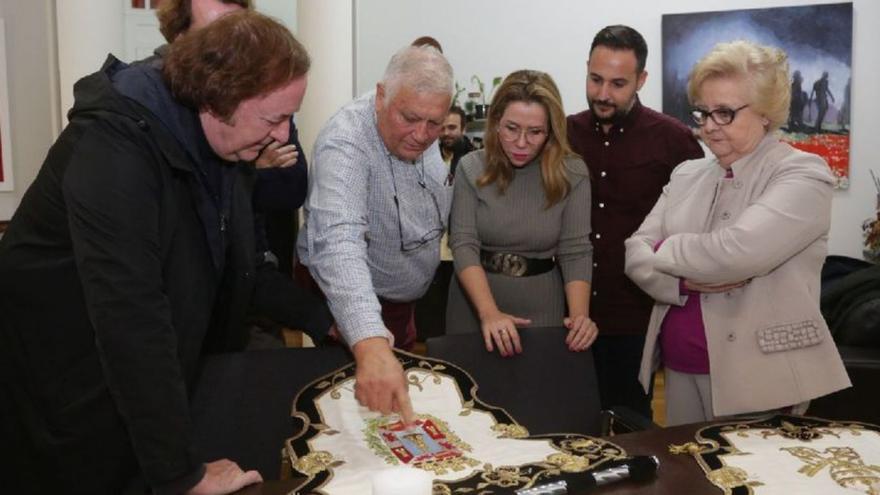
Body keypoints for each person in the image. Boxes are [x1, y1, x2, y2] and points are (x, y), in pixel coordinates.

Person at [0, 12, 333, 494]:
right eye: (275, 118)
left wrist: (322, 318)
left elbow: (242, 270)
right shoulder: (113, 145)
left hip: (134, 389)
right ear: (219, 100)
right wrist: (184, 475)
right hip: (61, 387)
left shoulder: (229, 146)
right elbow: (131, 315)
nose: (283, 137)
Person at [624, 40, 850, 426]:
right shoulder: (687, 174)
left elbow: (736, 254)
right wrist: (682, 282)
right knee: (690, 482)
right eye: (703, 112)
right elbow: (634, 254)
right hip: (679, 367)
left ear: (765, 113)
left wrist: (665, 250)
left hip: (759, 378)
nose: (709, 126)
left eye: (724, 113)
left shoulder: (802, 173)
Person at [297, 45, 453, 423]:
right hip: (355, 306)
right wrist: (368, 339)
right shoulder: (345, 143)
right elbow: (338, 242)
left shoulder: (419, 121)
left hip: (402, 305)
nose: (421, 135)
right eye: (410, 118)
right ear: (382, 95)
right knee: (350, 422)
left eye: (435, 124)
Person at [566, 25, 704, 417]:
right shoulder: (564, 134)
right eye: (595, 79)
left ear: (641, 79)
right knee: (568, 427)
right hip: (567, 313)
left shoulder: (674, 141)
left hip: (636, 317)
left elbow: (695, 228)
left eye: (618, 83)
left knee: (632, 429)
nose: (603, 94)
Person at [446, 70, 597, 357]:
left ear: (551, 131)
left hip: (541, 308)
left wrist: (579, 317)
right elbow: (463, 243)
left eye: (535, 132)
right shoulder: (470, 167)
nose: (521, 142)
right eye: (512, 128)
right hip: (473, 305)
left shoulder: (573, 173)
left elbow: (576, 250)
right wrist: (489, 313)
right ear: (495, 123)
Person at [440, 105, 475, 181]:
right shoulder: (430, 158)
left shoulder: (474, 159)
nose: (446, 133)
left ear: (463, 129)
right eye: (441, 128)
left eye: (451, 128)